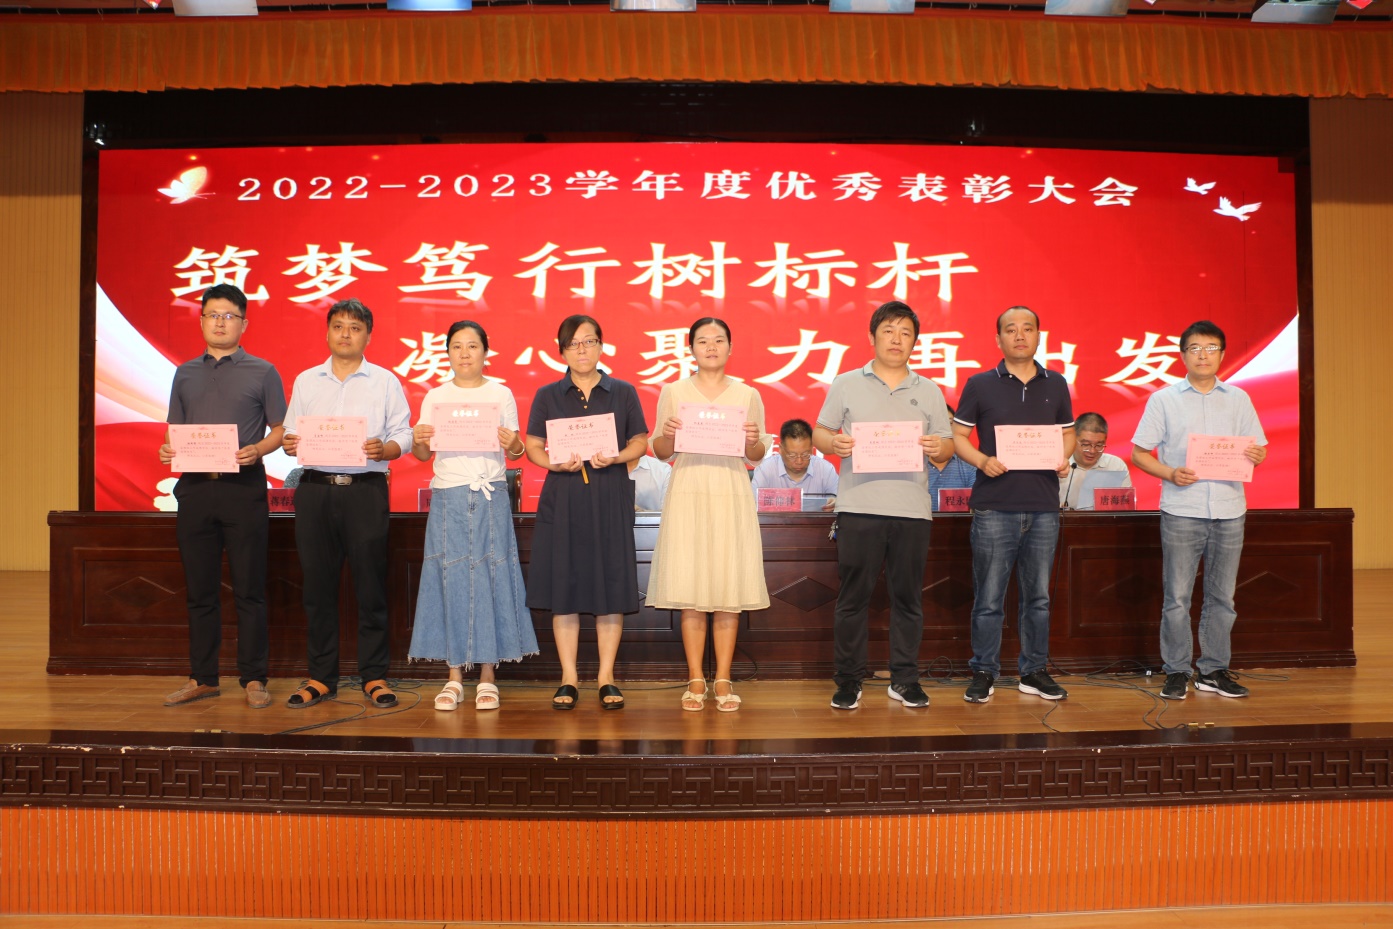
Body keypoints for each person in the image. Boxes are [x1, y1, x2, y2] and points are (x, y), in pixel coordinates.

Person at [814, 301, 955, 711]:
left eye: (905, 332)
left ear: (915, 341)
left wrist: (937, 446)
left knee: (908, 599)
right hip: (859, 506)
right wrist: (834, 442)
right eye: (889, 330)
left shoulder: (929, 390)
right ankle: (848, 680)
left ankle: (905, 680)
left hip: (912, 510)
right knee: (852, 599)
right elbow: (821, 432)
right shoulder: (846, 383)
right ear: (872, 337)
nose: (897, 339)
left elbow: (947, 446)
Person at [281, 298, 413, 709]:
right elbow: (289, 433)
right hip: (315, 490)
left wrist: (385, 449)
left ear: (368, 336)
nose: (345, 334)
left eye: (355, 328)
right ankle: (321, 677)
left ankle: (374, 676)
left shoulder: (385, 382)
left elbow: (404, 435)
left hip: (364, 491)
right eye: (339, 326)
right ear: (327, 332)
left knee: (371, 585)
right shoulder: (306, 380)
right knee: (317, 588)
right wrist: (290, 443)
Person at [160, 284, 286, 709]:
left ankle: (254, 678)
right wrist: (167, 449)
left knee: (249, 589)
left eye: (229, 316)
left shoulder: (263, 371)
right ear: (201, 321)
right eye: (212, 315)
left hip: (242, 489)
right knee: (200, 591)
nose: (220, 322)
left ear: (243, 324)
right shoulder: (184, 373)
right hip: (195, 489)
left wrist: (258, 450)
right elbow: (176, 430)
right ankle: (203, 677)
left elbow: (281, 429)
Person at [1130, 320, 1267, 700]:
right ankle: (1176, 670)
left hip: (1230, 510)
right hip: (1182, 509)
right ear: (1183, 355)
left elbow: (1257, 448)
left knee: (1223, 598)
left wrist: (1258, 455)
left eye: (1210, 348)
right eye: (1194, 348)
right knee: (1177, 597)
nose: (1203, 355)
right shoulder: (1164, 400)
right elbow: (1139, 454)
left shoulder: (1239, 398)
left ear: (1222, 354)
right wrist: (1170, 473)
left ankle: (1213, 670)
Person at [407, 320, 538, 711]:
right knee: (448, 579)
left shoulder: (500, 393)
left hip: (490, 494)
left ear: (485, 352)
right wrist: (418, 440)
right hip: (448, 495)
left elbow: (516, 451)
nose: (464, 353)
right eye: (457, 346)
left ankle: (487, 675)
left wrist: (514, 443)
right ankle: (453, 676)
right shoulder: (436, 396)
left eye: (473, 346)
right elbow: (422, 455)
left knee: (490, 578)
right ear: (447, 352)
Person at [524, 315, 649, 710]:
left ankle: (606, 678)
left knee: (610, 588)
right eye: (574, 343)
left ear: (601, 346)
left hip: (610, 495)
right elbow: (533, 444)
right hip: (563, 498)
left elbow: (640, 441)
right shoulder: (548, 394)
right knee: (564, 589)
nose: (582, 349)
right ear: (562, 350)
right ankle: (569, 678)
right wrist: (553, 463)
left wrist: (616, 456)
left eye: (589, 341)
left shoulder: (623, 391)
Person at [952, 306, 1075, 704]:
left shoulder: (1057, 383)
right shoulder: (979, 384)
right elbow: (957, 436)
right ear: (998, 339)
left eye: (1027, 328)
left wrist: (1063, 458)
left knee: (1038, 598)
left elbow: (1067, 434)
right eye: (1010, 329)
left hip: (1042, 506)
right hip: (994, 505)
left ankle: (1033, 671)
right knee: (989, 598)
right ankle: (983, 671)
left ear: (1039, 335)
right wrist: (982, 461)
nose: (1020, 335)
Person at [648, 318, 770, 712]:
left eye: (719, 340)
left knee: (728, 588)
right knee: (691, 588)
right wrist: (668, 434)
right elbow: (661, 451)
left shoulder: (747, 394)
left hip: (730, 491)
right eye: (703, 341)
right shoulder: (674, 391)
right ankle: (696, 677)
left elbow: (756, 455)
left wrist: (752, 441)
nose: (711, 347)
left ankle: (723, 678)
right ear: (692, 349)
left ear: (730, 347)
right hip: (688, 491)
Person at [751, 419, 839, 510]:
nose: (799, 461)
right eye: (792, 455)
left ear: (812, 449)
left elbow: (839, 500)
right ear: (780, 449)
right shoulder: (765, 469)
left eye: (805, 455)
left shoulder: (825, 470)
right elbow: (752, 503)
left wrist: (835, 503)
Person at [1060, 411, 1132, 510]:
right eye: (1086, 444)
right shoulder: (1059, 465)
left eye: (1099, 445)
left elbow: (1126, 508)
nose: (1092, 451)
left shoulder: (1115, 466)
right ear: (1073, 439)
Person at [927, 406, 977, 512]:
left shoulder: (969, 467)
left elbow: (975, 509)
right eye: (936, 424)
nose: (942, 430)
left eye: (949, 423)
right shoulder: (913, 468)